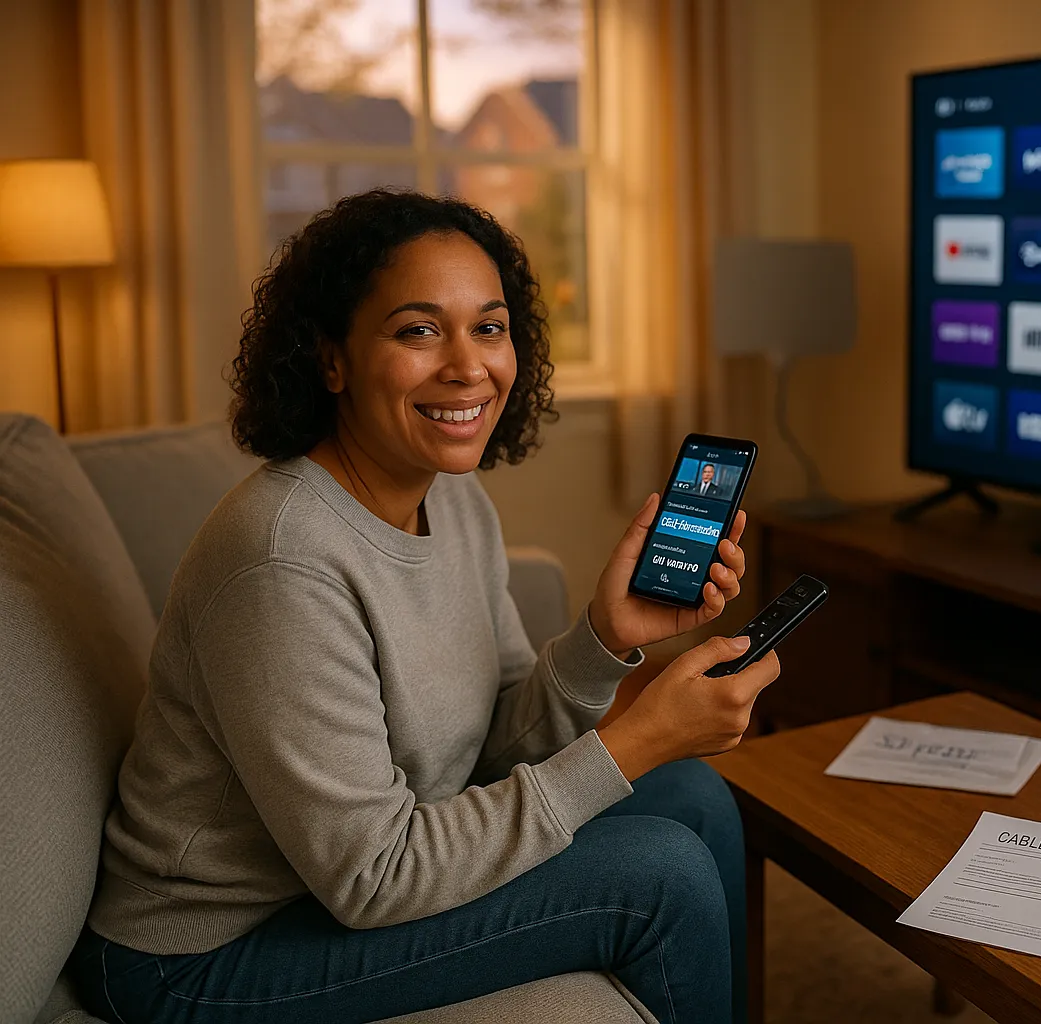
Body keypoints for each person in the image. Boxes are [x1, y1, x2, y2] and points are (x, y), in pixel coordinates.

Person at [68, 189, 777, 1024]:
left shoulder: (455, 498)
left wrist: (605, 637)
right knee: (660, 873)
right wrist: (633, 742)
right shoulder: (282, 560)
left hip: (325, 892)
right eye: (417, 330)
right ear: (331, 358)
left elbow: (494, 748)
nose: (468, 366)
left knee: (693, 797)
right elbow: (374, 876)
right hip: (202, 957)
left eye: (489, 325)